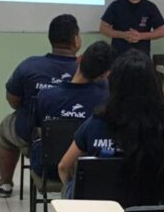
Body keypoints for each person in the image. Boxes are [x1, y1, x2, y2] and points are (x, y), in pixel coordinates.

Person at [58, 49, 164, 204]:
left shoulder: (96, 123)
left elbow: (64, 167)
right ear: (154, 84)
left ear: (114, 85)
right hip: (150, 211)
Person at [0, 14, 81, 198]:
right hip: (79, 143)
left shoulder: (29, 66)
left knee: (5, 128)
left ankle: (6, 184)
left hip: (35, 138)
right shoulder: (88, 69)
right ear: (76, 40)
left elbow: (12, 99)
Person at [28, 41, 112, 179]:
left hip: (47, 168)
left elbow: (37, 128)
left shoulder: (45, 96)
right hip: (88, 169)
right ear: (105, 75)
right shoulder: (106, 101)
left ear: (79, 59)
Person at [100, 0, 164, 58]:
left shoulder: (150, 7)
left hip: (142, 57)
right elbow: (103, 28)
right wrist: (123, 35)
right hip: (118, 56)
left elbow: (162, 31)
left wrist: (141, 36)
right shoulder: (116, 5)